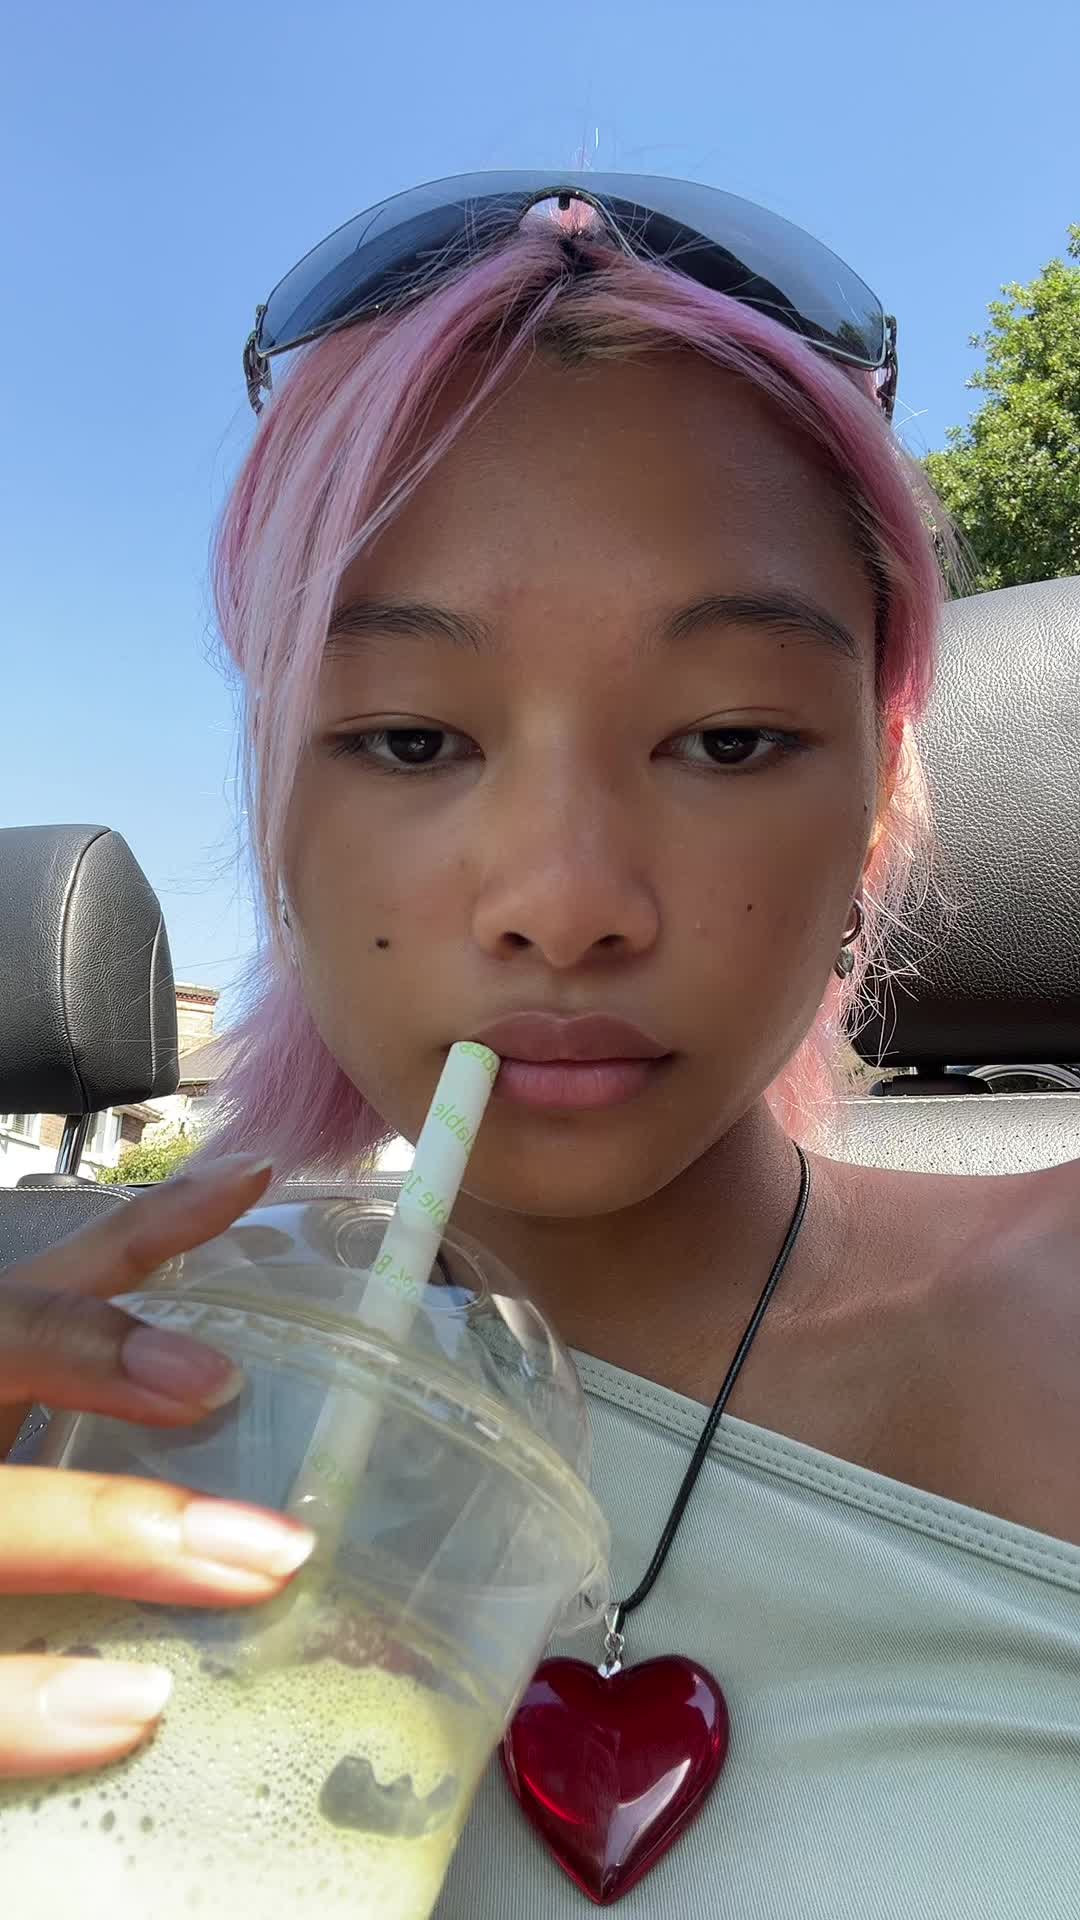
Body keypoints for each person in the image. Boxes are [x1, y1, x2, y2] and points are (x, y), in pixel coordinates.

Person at [2, 175, 1078, 1913]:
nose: (566, 904)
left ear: (877, 804)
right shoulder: (76, 1393)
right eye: (412, 740)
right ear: (278, 817)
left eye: (728, 738)